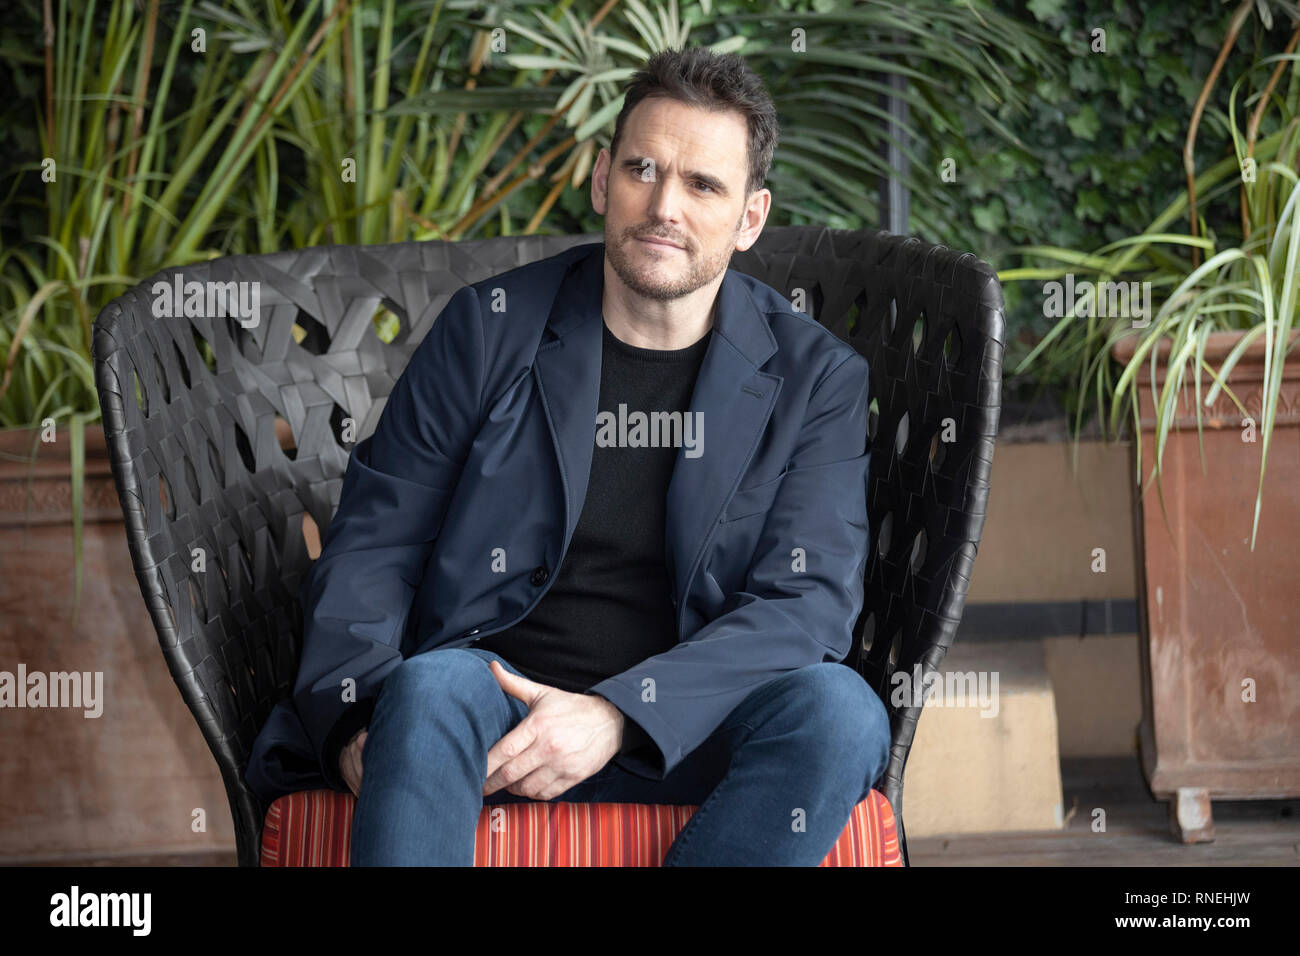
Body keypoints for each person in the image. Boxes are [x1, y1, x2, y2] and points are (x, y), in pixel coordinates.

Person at [245, 45, 890, 866]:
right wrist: (353, 720)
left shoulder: (816, 379)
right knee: (430, 684)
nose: (665, 206)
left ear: (751, 218)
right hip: (495, 720)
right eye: (642, 169)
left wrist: (619, 713)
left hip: (690, 734)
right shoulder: (489, 328)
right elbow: (377, 537)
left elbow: (805, 603)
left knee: (840, 712)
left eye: (703, 185)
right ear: (600, 179)